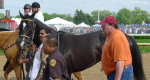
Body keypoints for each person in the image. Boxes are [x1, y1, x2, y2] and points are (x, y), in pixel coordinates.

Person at [98, 16, 133, 80]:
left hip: (121, 73)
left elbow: (120, 60)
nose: (102, 27)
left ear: (112, 25)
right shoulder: (110, 36)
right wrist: (106, 65)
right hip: (116, 72)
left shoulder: (116, 38)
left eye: (104, 25)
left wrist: (117, 78)